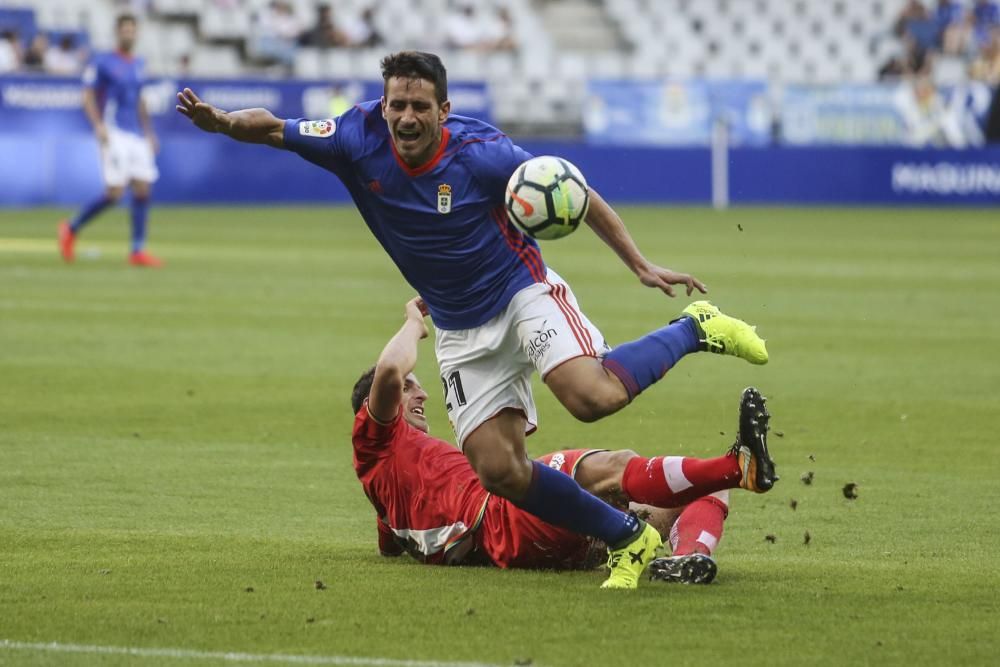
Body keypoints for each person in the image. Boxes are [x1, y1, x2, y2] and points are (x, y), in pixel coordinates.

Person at [175, 51, 773, 589]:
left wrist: (639, 264)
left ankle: (694, 327)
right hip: (461, 330)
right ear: (383, 105)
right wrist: (223, 122)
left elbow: (576, 193)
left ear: (444, 110)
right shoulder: (354, 137)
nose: (406, 118)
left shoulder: (480, 153)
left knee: (589, 398)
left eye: (419, 107)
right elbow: (274, 127)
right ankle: (630, 540)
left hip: (520, 293)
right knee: (499, 472)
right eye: (396, 105)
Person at [352, 297, 776, 583]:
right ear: (369, 411)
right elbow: (389, 369)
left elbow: (391, 543)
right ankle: (738, 468)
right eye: (410, 388)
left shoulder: (386, 490)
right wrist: (414, 322)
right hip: (505, 516)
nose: (420, 392)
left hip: (542, 547)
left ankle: (686, 556)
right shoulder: (376, 441)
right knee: (611, 467)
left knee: (693, 492)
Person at [58, 14, 162, 267]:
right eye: (125, 30)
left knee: (143, 188)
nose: (129, 34)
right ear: (117, 33)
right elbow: (88, 95)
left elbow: (140, 100)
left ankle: (137, 250)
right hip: (114, 130)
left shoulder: (139, 63)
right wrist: (98, 125)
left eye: (132, 30)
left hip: (136, 134)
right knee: (115, 193)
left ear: (137, 34)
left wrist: (149, 132)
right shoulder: (103, 62)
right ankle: (71, 227)